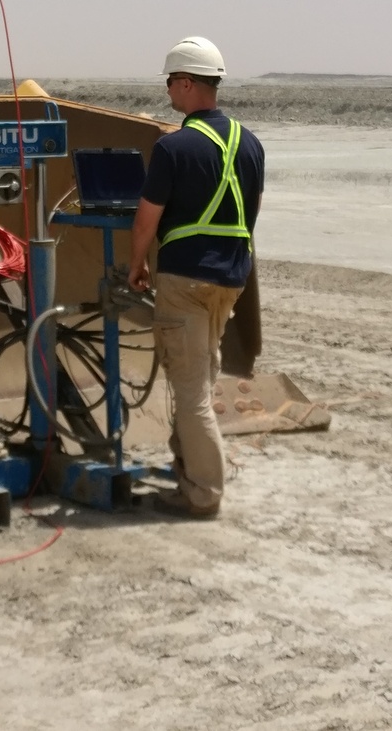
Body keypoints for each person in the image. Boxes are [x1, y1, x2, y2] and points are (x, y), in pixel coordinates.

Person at [127, 36, 264, 519]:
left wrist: (136, 263)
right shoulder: (249, 143)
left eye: (171, 82)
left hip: (185, 280)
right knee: (200, 379)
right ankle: (188, 471)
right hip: (231, 278)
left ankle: (203, 493)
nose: (168, 90)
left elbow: (146, 219)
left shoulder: (173, 147)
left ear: (187, 82)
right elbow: (252, 215)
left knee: (191, 395)